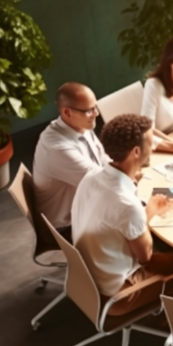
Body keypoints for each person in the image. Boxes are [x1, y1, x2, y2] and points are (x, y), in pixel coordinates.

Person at [70, 113, 173, 314]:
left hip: (87, 278)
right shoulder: (127, 204)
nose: (154, 146)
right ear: (136, 151)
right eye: (151, 143)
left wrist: (144, 212)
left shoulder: (91, 176)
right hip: (119, 295)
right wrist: (148, 213)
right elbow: (146, 257)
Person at [31, 82, 107, 233]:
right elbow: (103, 183)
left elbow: (103, 160)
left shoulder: (80, 125)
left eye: (95, 107)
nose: (96, 114)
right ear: (67, 113)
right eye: (89, 110)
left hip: (87, 206)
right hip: (69, 226)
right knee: (137, 219)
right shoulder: (57, 149)